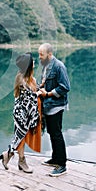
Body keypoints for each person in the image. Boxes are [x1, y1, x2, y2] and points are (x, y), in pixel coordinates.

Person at [0, 52, 42, 173]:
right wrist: (38, 93)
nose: (34, 63)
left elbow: (35, 89)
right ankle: (20, 160)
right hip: (21, 114)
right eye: (32, 61)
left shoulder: (30, 78)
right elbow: (29, 97)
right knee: (21, 137)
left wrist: (40, 87)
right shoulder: (21, 79)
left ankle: (9, 156)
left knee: (20, 137)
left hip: (27, 114)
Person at [38, 43, 70, 177]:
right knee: (52, 132)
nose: (39, 57)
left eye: (41, 54)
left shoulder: (59, 66)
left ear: (49, 54)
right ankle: (55, 158)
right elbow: (47, 82)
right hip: (48, 106)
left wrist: (48, 94)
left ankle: (62, 164)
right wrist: (41, 87)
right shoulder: (46, 65)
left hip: (56, 106)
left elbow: (65, 87)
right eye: (39, 54)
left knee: (56, 134)